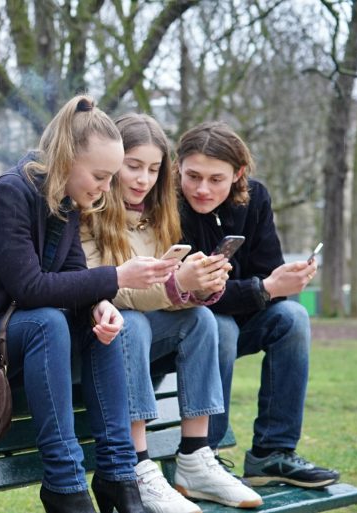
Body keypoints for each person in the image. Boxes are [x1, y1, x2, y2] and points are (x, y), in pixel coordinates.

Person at [0, 95, 177, 513]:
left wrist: (99, 306)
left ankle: (119, 474)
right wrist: (118, 277)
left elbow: (74, 274)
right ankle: (65, 484)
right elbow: (30, 288)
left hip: (25, 337)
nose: (106, 188)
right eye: (100, 176)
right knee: (48, 322)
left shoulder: (66, 202)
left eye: (110, 177)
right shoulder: (10, 192)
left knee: (107, 327)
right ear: (68, 159)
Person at [81, 113, 263, 512]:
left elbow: (168, 288)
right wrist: (177, 284)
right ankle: (137, 466)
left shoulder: (159, 213)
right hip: (96, 337)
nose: (143, 179)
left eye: (153, 169)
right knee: (132, 323)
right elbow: (105, 287)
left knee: (200, 320)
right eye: (133, 166)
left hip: (140, 335)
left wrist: (200, 287)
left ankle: (195, 457)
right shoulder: (87, 209)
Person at [176, 121, 340, 488]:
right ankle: (204, 456)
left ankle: (272, 452)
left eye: (216, 179)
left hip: (236, 322)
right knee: (217, 324)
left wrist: (282, 283)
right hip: (184, 331)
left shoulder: (255, 198)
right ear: (178, 167)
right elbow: (193, 296)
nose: (202, 189)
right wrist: (263, 288)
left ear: (238, 174)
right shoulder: (167, 206)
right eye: (193, 176)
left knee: (292, 316)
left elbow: (269, 278)